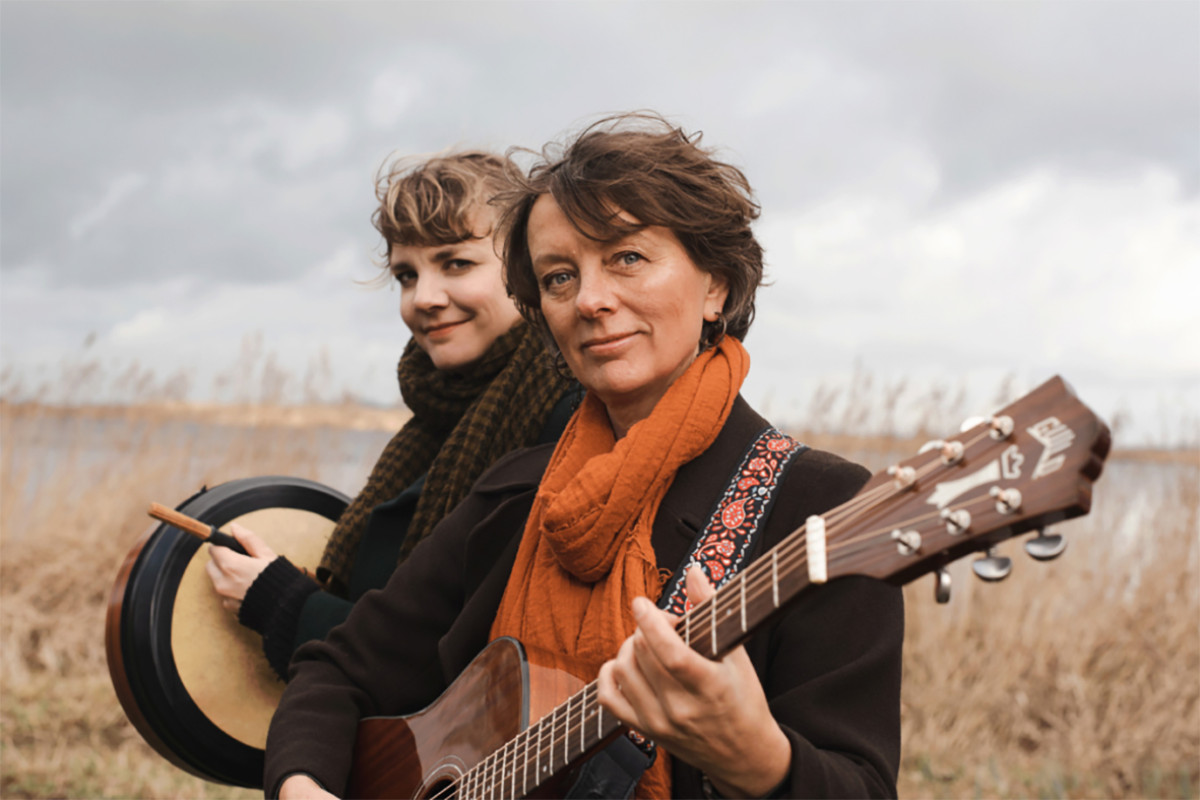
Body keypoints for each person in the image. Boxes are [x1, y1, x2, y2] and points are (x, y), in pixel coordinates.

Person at [265, 114, 903, 799]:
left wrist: (763, 763)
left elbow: (860, 786)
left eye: (627, 257)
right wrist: (303, 785)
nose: (591, 301)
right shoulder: (515, 496)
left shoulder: (819, 508)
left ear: (715, 285)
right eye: (560, 277)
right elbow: (337, 670)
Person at [205, 151, 578, 680]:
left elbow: (454, 654)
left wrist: (281, 601)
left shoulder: (564, 417)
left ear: (526, 267)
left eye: (456, 263)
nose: (423, 298)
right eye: (406, 275)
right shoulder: (436, 423)